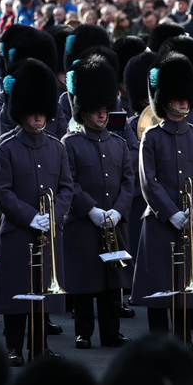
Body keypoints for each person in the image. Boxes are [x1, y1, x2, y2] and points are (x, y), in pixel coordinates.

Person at [130, 53, 193, 362]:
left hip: (190, 219)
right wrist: (171, 212)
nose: (182, 104)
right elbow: (147, 182)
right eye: (176, 98)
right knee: (159, 287)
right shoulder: (151, 137)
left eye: (184, 99)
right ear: (164, 101)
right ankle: (156, 345)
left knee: (185, 286)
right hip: (159, 221)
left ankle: (184, 343)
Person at [0, 58, 73, 365]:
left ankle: (39, 347)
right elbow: (1, 190)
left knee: (42, 293)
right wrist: (30, 216)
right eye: (33, 113)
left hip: (48, 231)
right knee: (17, 294)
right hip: (17, 231)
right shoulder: (7, 145)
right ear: (23, 112)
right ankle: (14, 346)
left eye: (43, 113)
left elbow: (67, 186)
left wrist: (54, 216)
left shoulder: (57, 147)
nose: (39, 118)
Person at [60, 53, 133, 349]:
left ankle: (111, 332)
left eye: (105, 110)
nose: (102, 116)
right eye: (96, 111)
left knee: (110, 281)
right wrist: (91, 210)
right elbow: (69, 182)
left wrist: (117, 211)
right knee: (85, 281)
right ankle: (83, 331)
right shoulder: (71, 143)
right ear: (84, 111)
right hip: (83, 222)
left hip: (113, 221)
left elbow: (129, 181)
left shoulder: (118, 144)